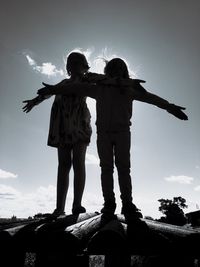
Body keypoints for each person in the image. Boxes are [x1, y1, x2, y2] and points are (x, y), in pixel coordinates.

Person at [37, 57, 188, 221]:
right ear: (107, 72)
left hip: (123, 132)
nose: (116, 71)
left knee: (123, 168)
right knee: (106, 168)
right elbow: (74, 87)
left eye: (119, 68)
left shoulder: (128, 90)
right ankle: (109, 203)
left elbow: (151, 98)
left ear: (124, 72)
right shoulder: (99, 89)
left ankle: (127, 204)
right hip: (104, 134)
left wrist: (170, 107)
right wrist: (52, 90)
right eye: (113, 68)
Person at [23, 52, 92, 216]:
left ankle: (76, 205)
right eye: (70, 62)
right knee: (63, 165)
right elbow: (48, 92)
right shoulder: (63, 82)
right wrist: (34, 101)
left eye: (77, 61)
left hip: (79, 125)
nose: (74, 64)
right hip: (62, 127)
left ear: (84, 65)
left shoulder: (87, 79)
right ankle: (59, 207)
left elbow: (105, 81)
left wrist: (123, 81)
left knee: (78, 163)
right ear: (67, 66)